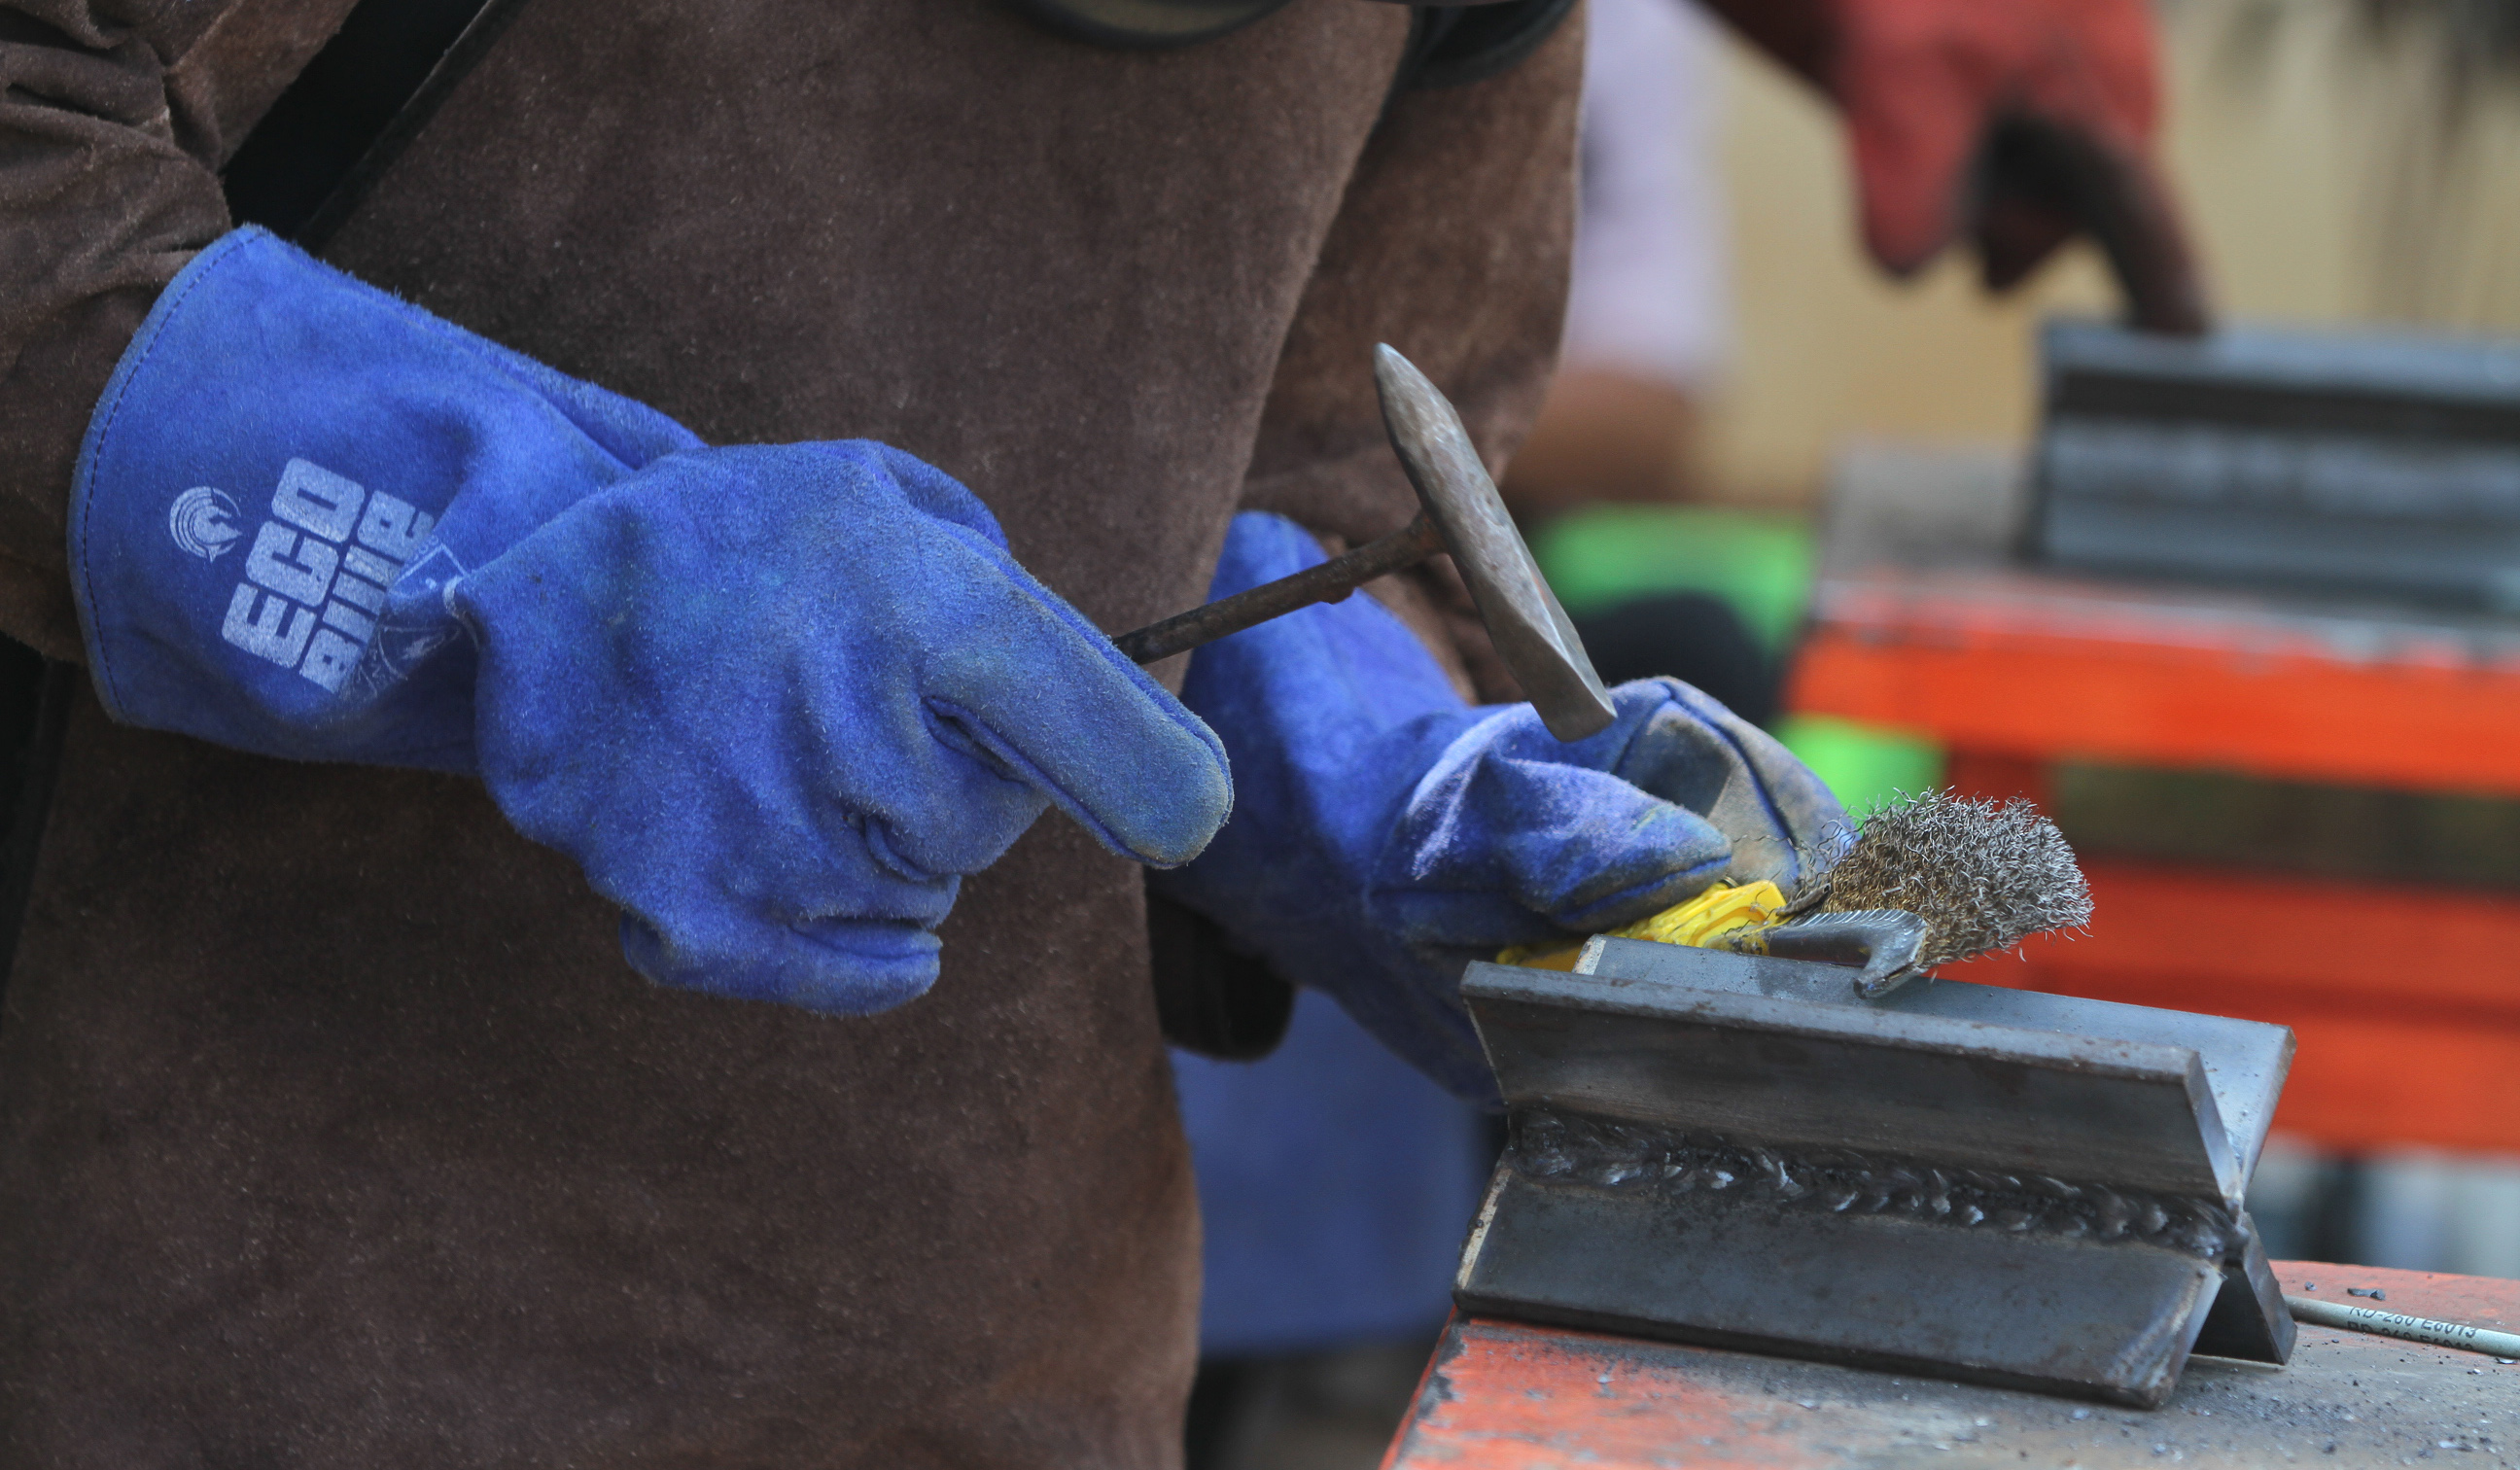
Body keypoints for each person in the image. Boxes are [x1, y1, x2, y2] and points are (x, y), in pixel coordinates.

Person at [0, 1, 2200, 1465]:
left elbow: (1345, 464)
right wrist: (510, 548)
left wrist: (1373, 755)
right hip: (177, 1315)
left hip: (987, 1367)